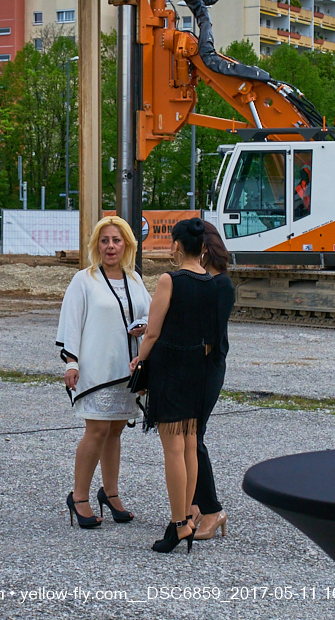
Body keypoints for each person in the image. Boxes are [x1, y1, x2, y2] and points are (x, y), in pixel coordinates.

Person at [56, 216, 151, 528]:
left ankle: (110, 493)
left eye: (116, 240)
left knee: (115, 431)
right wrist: (71, 362)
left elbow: (150, 313)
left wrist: (145, 326)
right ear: (97, 245)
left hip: (127, 371)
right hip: (96, 370)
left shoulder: (134, 279)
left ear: (127, 245)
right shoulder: (84, 280)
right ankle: (79, 496)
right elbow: (72, 323)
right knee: (96, 431)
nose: (111, 246)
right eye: (105, 240)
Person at [130, 218, 218, 553]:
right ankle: (188, 520)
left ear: (177, 245)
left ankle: (179, 523)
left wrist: (139, 361)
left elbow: (152, 331)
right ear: (203, 247)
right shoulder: (211, 281)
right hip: (197, 367)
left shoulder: (170, 280)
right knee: (190, 443)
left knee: (173, 450)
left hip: (170, 367)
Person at [188, 221, 234, 540]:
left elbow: (210, 337)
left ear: (203, 249)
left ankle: (212, 510)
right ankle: (194, 505)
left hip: (206, 367)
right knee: (187, 438)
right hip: (195, 366)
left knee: (193, 437)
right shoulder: (203, 281)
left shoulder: (221, 285)